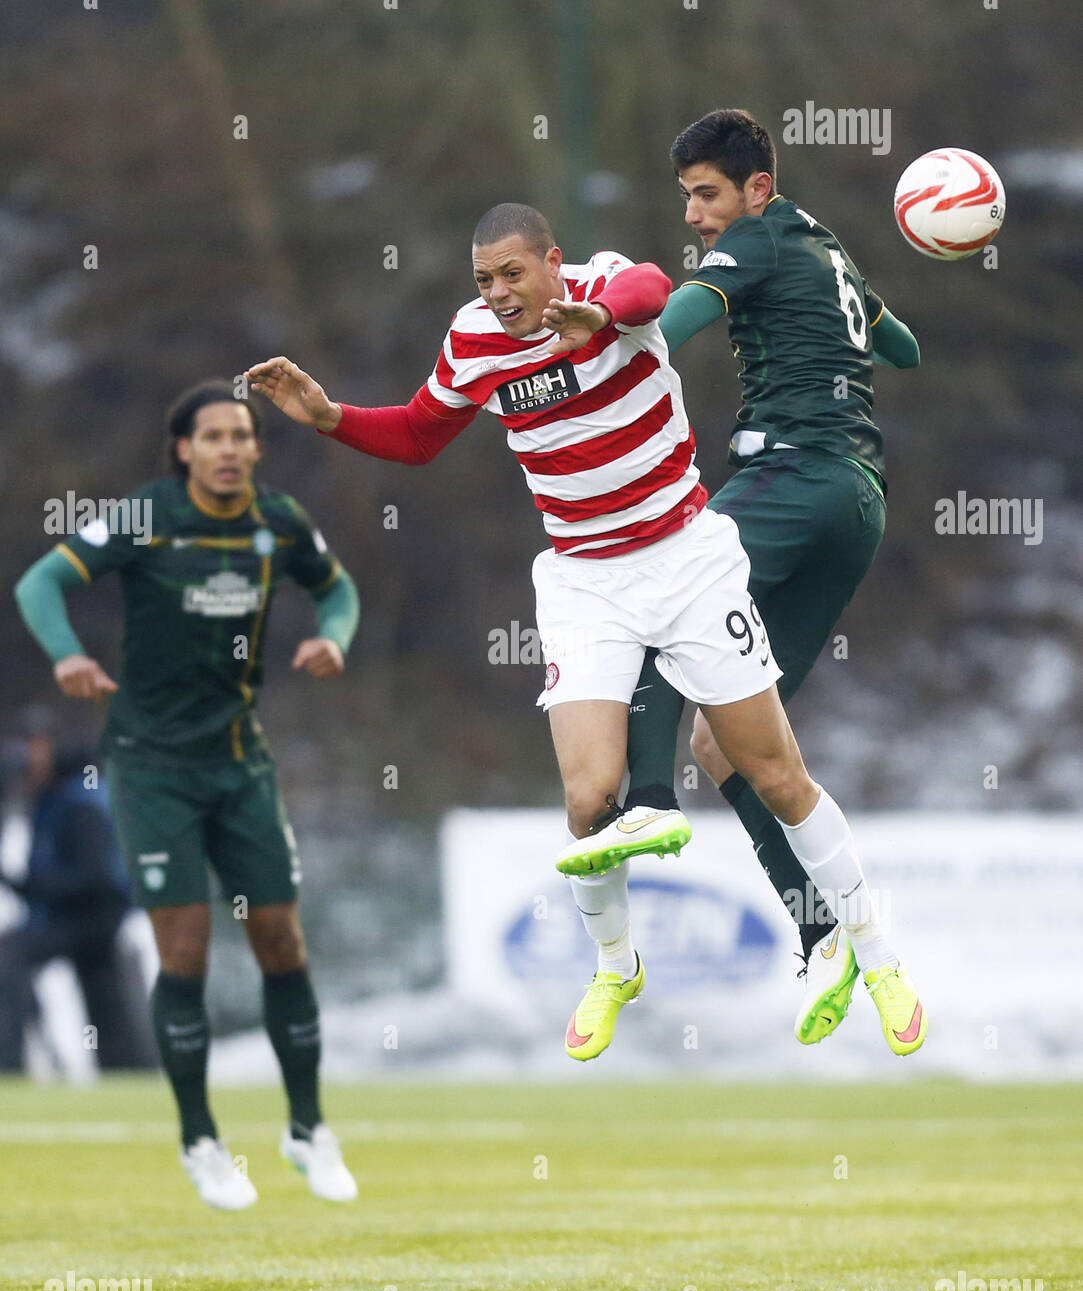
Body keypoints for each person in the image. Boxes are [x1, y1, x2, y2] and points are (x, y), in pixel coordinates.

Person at [246, 202, 925, 1063]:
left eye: (511, 274)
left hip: (687, 559)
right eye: (483, 280)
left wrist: (599, 318)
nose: (496, 294)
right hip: (583, 581)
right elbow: (421, 433)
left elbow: (649, 290)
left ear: (552, 262)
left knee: (774, 773)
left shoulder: (609, 288)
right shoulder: (473, 340)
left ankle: (877, 952)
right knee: (584, 799)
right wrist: (329, 416)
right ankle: (616, 965)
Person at [14, 380, 362, 1209]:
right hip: (151, 767)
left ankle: (308, 1128)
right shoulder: (143, 516)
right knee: (185, 953)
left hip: (241, 762)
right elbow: (39, 586)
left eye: (242, 434)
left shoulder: (277, 520)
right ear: (184, 449)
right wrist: (65, 655)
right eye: (212, 436)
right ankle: (201, 1139)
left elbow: (338, 590)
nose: (231, 447)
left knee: (280, 939)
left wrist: (334, 639)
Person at [623, 108, 923, 1050]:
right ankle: (825, 929)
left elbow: (674, 323)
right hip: (857, 503)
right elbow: (902, 348)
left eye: (707, 195)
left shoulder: (752, 243)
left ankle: (643, 808)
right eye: (687, 200)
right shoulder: (826, 249)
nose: (698, 216)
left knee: (652, 602)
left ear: (757, 187)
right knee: (728, 743)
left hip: (789, 476)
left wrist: (617, 334)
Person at [0, 726, 155, 1073]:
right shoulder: (54, 798)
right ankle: (125, 1072)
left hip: (93, 920)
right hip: (88, 919)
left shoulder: (78, 800)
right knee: (106, 1006)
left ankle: (8, 1066)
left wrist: (34, 886)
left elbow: (95, 876)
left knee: (8, 956)